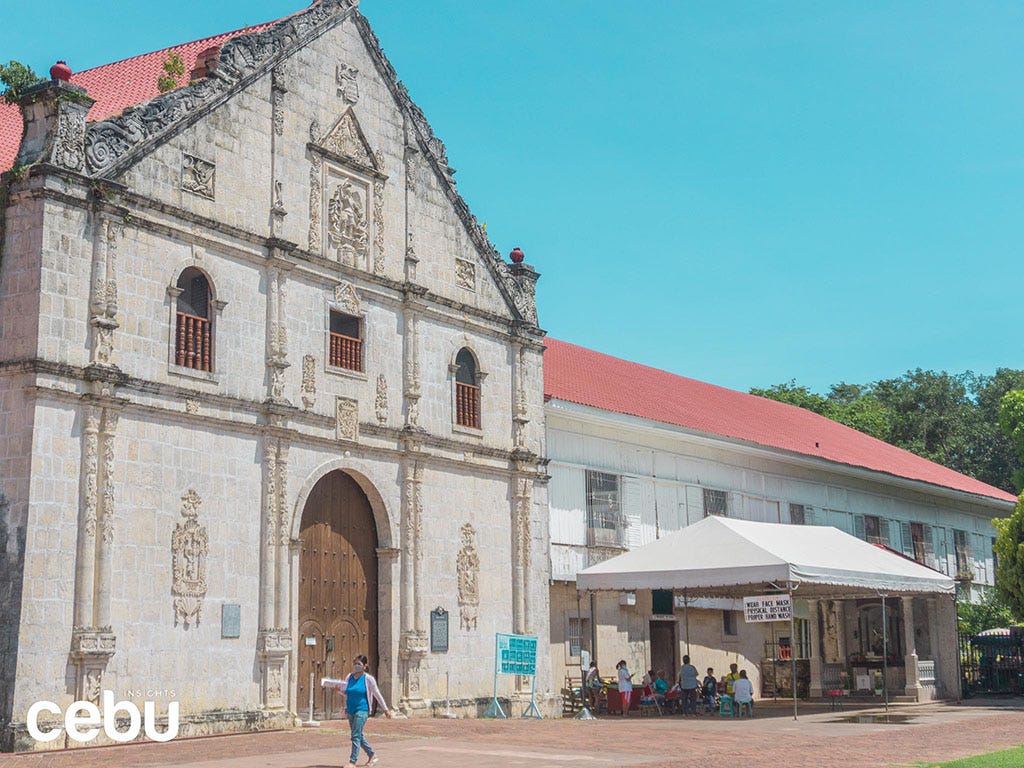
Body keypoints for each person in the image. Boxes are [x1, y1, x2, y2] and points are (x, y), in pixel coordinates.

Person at [336, 654, 392, 767]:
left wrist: (385, 709)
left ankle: (352, 762)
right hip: (351, 709)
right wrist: (338, 689)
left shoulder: (368, 679)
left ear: (365, 666)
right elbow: (346, 692)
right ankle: (372, 755)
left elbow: (377, 694)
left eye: (359, 664)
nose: (357, 666)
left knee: (355, 736)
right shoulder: (349, 677)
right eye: (355, 664)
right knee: (358, 735)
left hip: (362, 710)